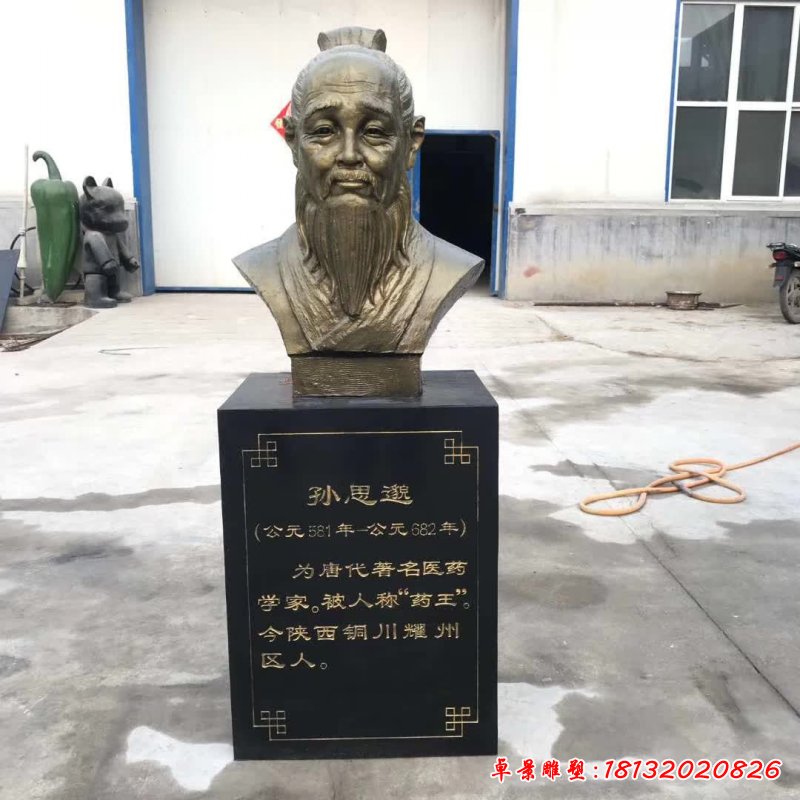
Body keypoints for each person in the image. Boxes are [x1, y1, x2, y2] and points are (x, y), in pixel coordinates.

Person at [234, 26, 483, 394]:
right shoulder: (264, 267)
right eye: (324, 131)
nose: (349, 155)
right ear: (293, 142)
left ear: (411, 143)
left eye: (375, 131)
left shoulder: (447, 269)